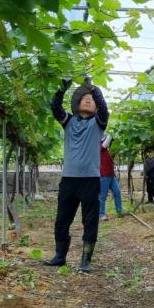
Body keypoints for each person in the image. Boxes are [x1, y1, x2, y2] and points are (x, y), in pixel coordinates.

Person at [44, 76, 108, 274]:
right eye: (84, 98)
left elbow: (105, 109)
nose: (88, 100)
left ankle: (85, 260)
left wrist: (93, 88)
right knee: (62, 219)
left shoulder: (99, 123)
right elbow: (55, 108)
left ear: (96, 106)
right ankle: (60, 256)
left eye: (91, 99)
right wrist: (63, 89)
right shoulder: (69, 122)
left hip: (90, 180)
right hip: (69, 180)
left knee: (90, 220)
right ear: (77, 104)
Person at [99, 135, 123, 221]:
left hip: (111, 176)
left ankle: (119, 211)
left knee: (117, 192)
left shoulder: (106, 151)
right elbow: (105, 144)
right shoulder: (99, 147)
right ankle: (101, 214)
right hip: (103, 176)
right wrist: (111, 133)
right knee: (102, 196)